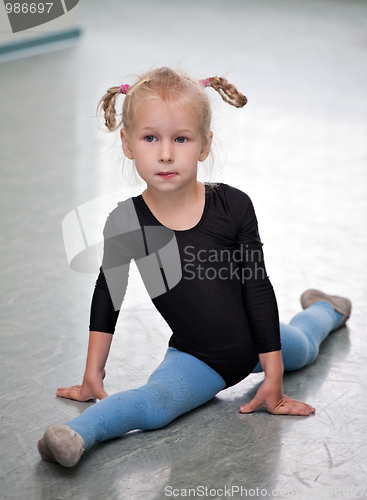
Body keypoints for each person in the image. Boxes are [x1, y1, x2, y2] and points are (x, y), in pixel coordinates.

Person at [37, 67, 351, 468]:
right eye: (150, 138)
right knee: (156, 406)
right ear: (127, 143)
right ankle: (77, 436)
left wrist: (272, 377)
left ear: (204, 145)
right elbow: (108, 295)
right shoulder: (125, 222)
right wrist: (90, 377)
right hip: (198, 358)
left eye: (181, 139)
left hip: (258, 339)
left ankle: (326, 308)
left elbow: (257, 287)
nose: (166, 153)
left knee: (304, 349)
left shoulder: (233, 206)